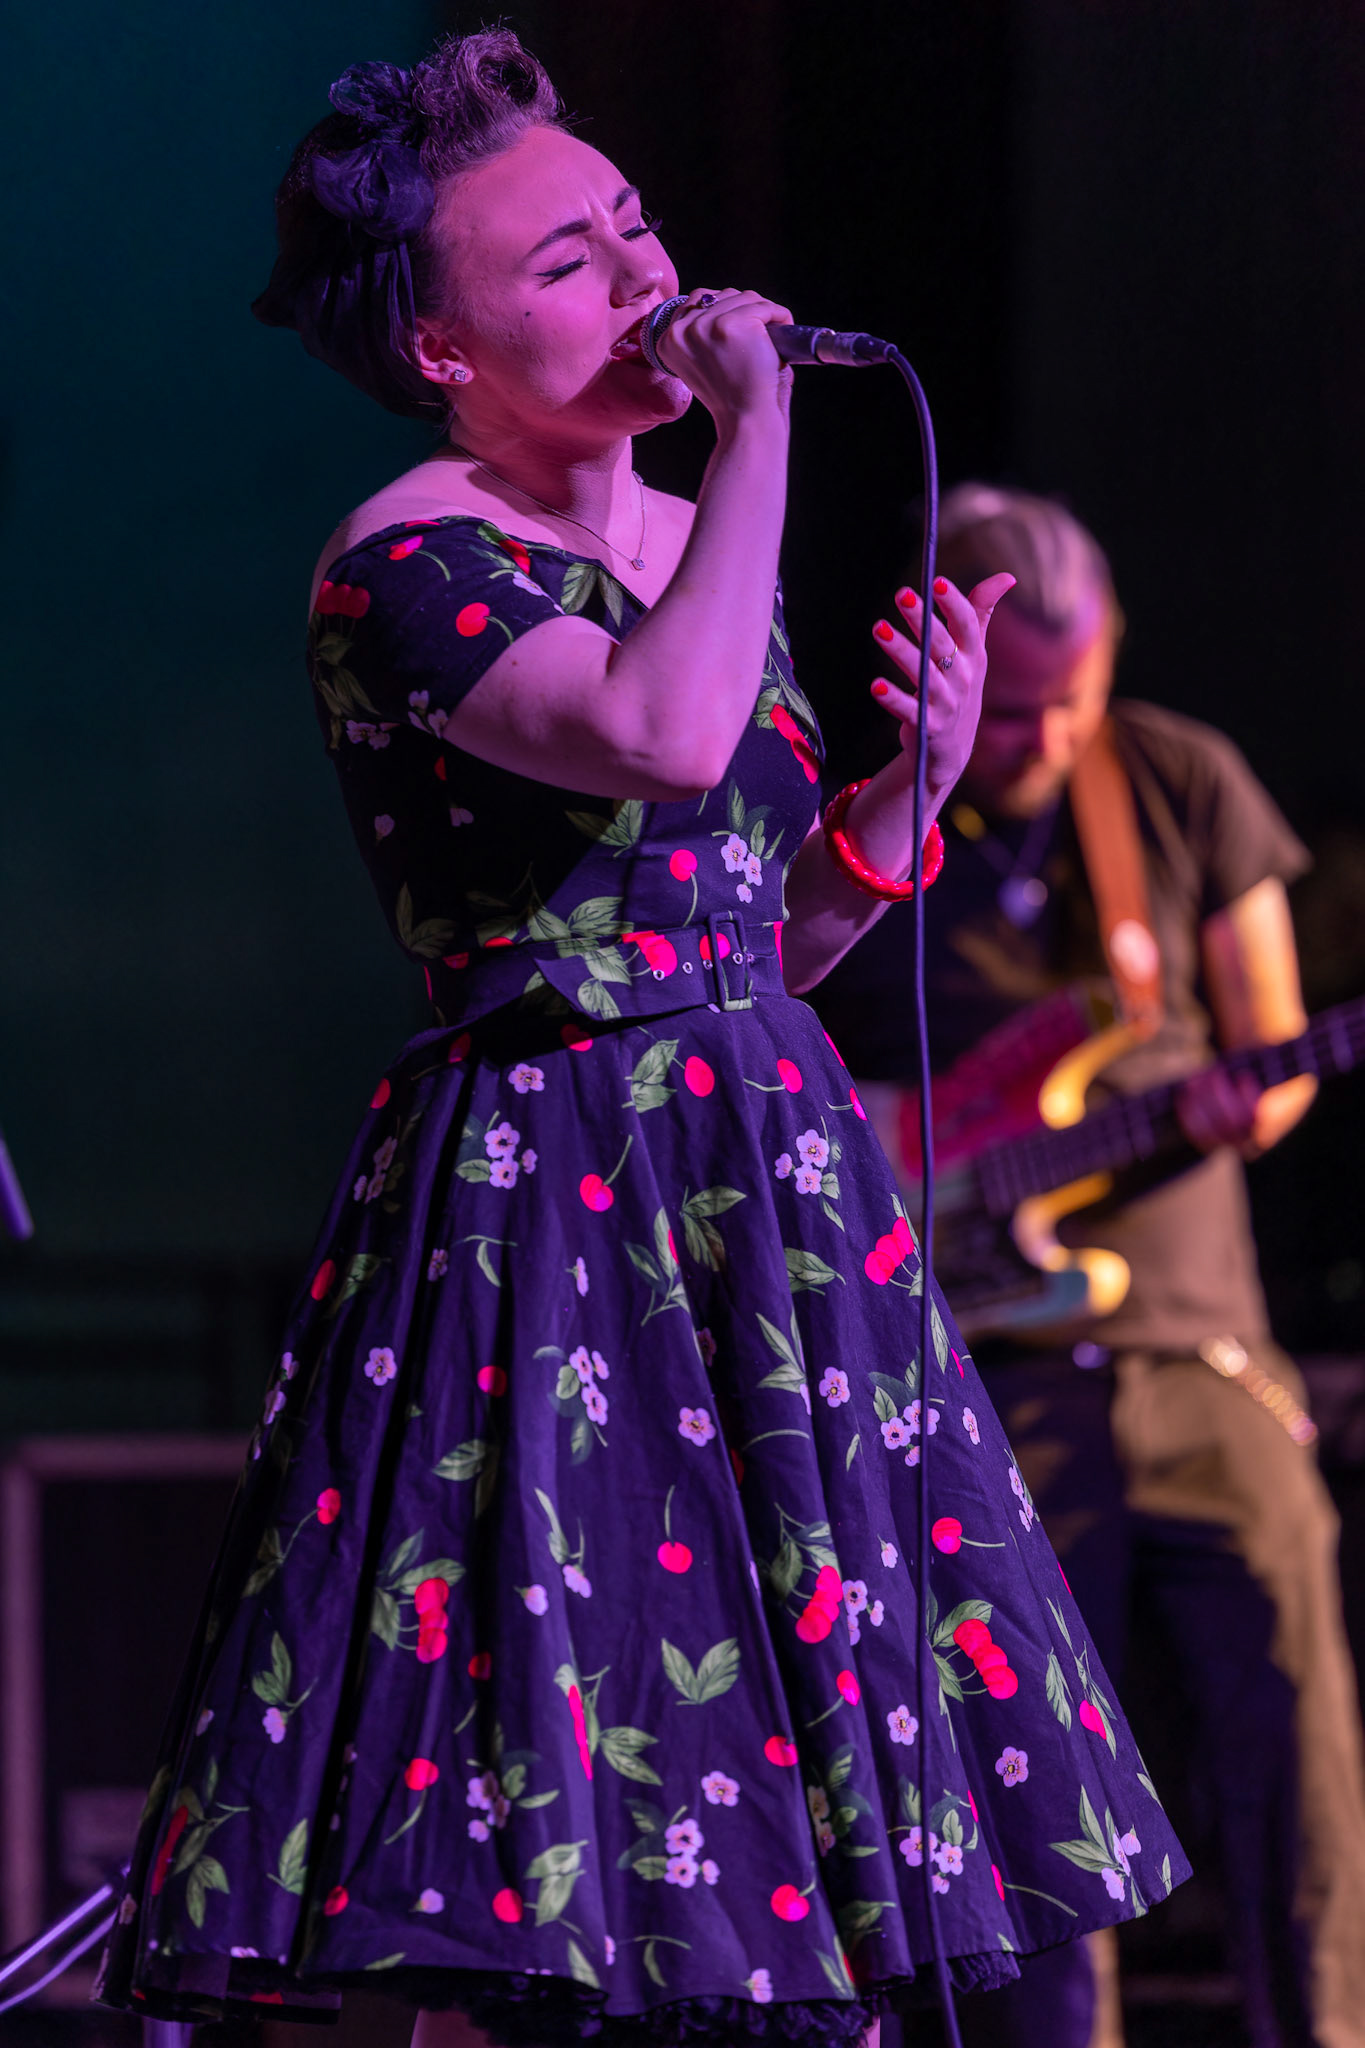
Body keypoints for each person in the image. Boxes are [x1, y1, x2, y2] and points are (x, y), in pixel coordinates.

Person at [96, 42, 1187, 2045]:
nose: (640, 278)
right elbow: (658, 738)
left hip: (761, 1198)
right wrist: (758, 421)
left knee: (798, 1851)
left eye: (635, 232)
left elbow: (752, 933)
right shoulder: (402, 560)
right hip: (554, 1219)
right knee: (565, 1826)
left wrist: (894, 796)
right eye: (568, 265)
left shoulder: (699, 540)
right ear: (443, 346)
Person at [814, 483, 1365, 2048]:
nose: (1044, 741)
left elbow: (1275, 1058)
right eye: (1011, 713)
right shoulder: (876, 816)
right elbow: (802, 1058)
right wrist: (916, 1171)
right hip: (974, 1372)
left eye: (1074, 702)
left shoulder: (1179, 781)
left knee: (1293, 1730)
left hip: (1193, 1351)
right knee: (1031, 1785)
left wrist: (1241, 1096)